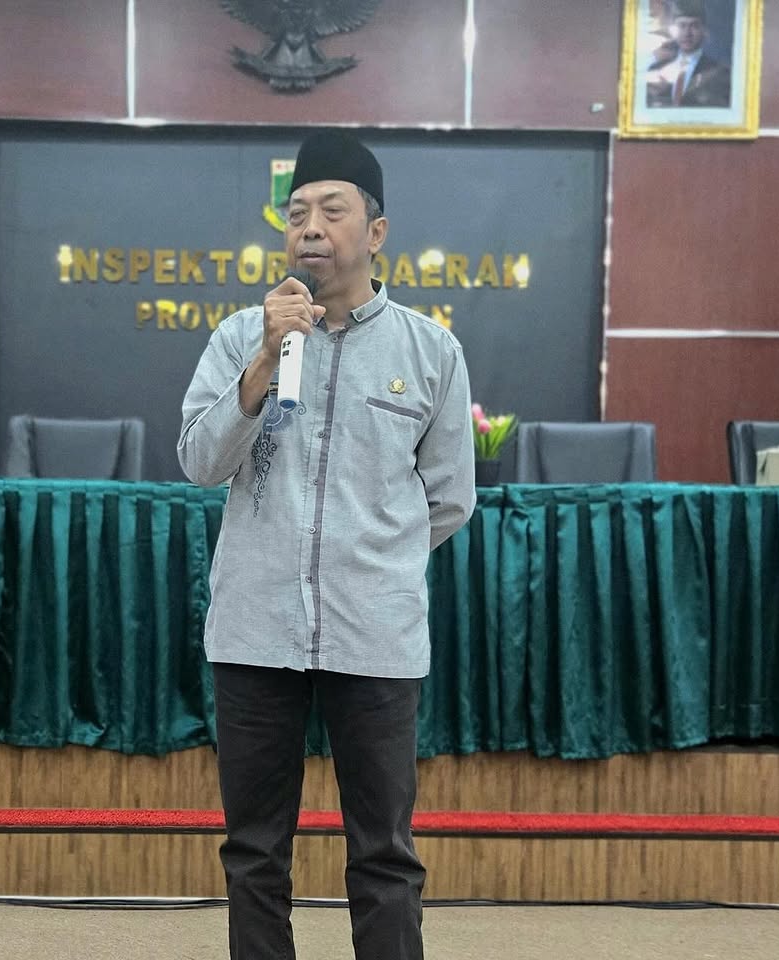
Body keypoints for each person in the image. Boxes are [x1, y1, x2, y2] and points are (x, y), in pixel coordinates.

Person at [178, 130, 476, 959]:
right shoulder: (241, 337)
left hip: (373, 634)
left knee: (385, 856)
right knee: (254, 852)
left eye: (331, 211)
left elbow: (449, 498)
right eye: (296, 213)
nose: (310, 226)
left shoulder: (430, 350)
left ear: (376, 232)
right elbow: (199, 463)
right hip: (255, 630)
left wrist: (374, 560)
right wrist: (265, 361)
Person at [646, 0, 731, 108]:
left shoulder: (720, 74)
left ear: (703, 30)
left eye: (694, 26)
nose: (687, 33)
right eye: (682, 26)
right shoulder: (656, 69)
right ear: (673, 30)